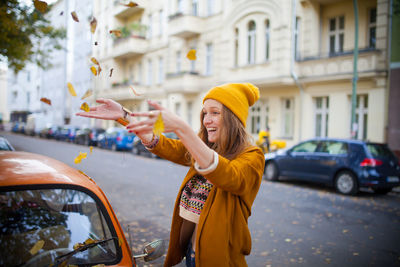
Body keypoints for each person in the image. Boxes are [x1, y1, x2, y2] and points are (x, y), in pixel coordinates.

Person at [76, 83, 265, 267]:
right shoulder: (206, 149)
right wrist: (125, 116)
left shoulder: (252, 156)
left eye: (215, 113)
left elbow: (229, 176)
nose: (207, 120)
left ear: (234, 118)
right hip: (192, 252)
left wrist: (182, 129)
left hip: (220, 259)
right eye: (205, 113)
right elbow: (169, 147)